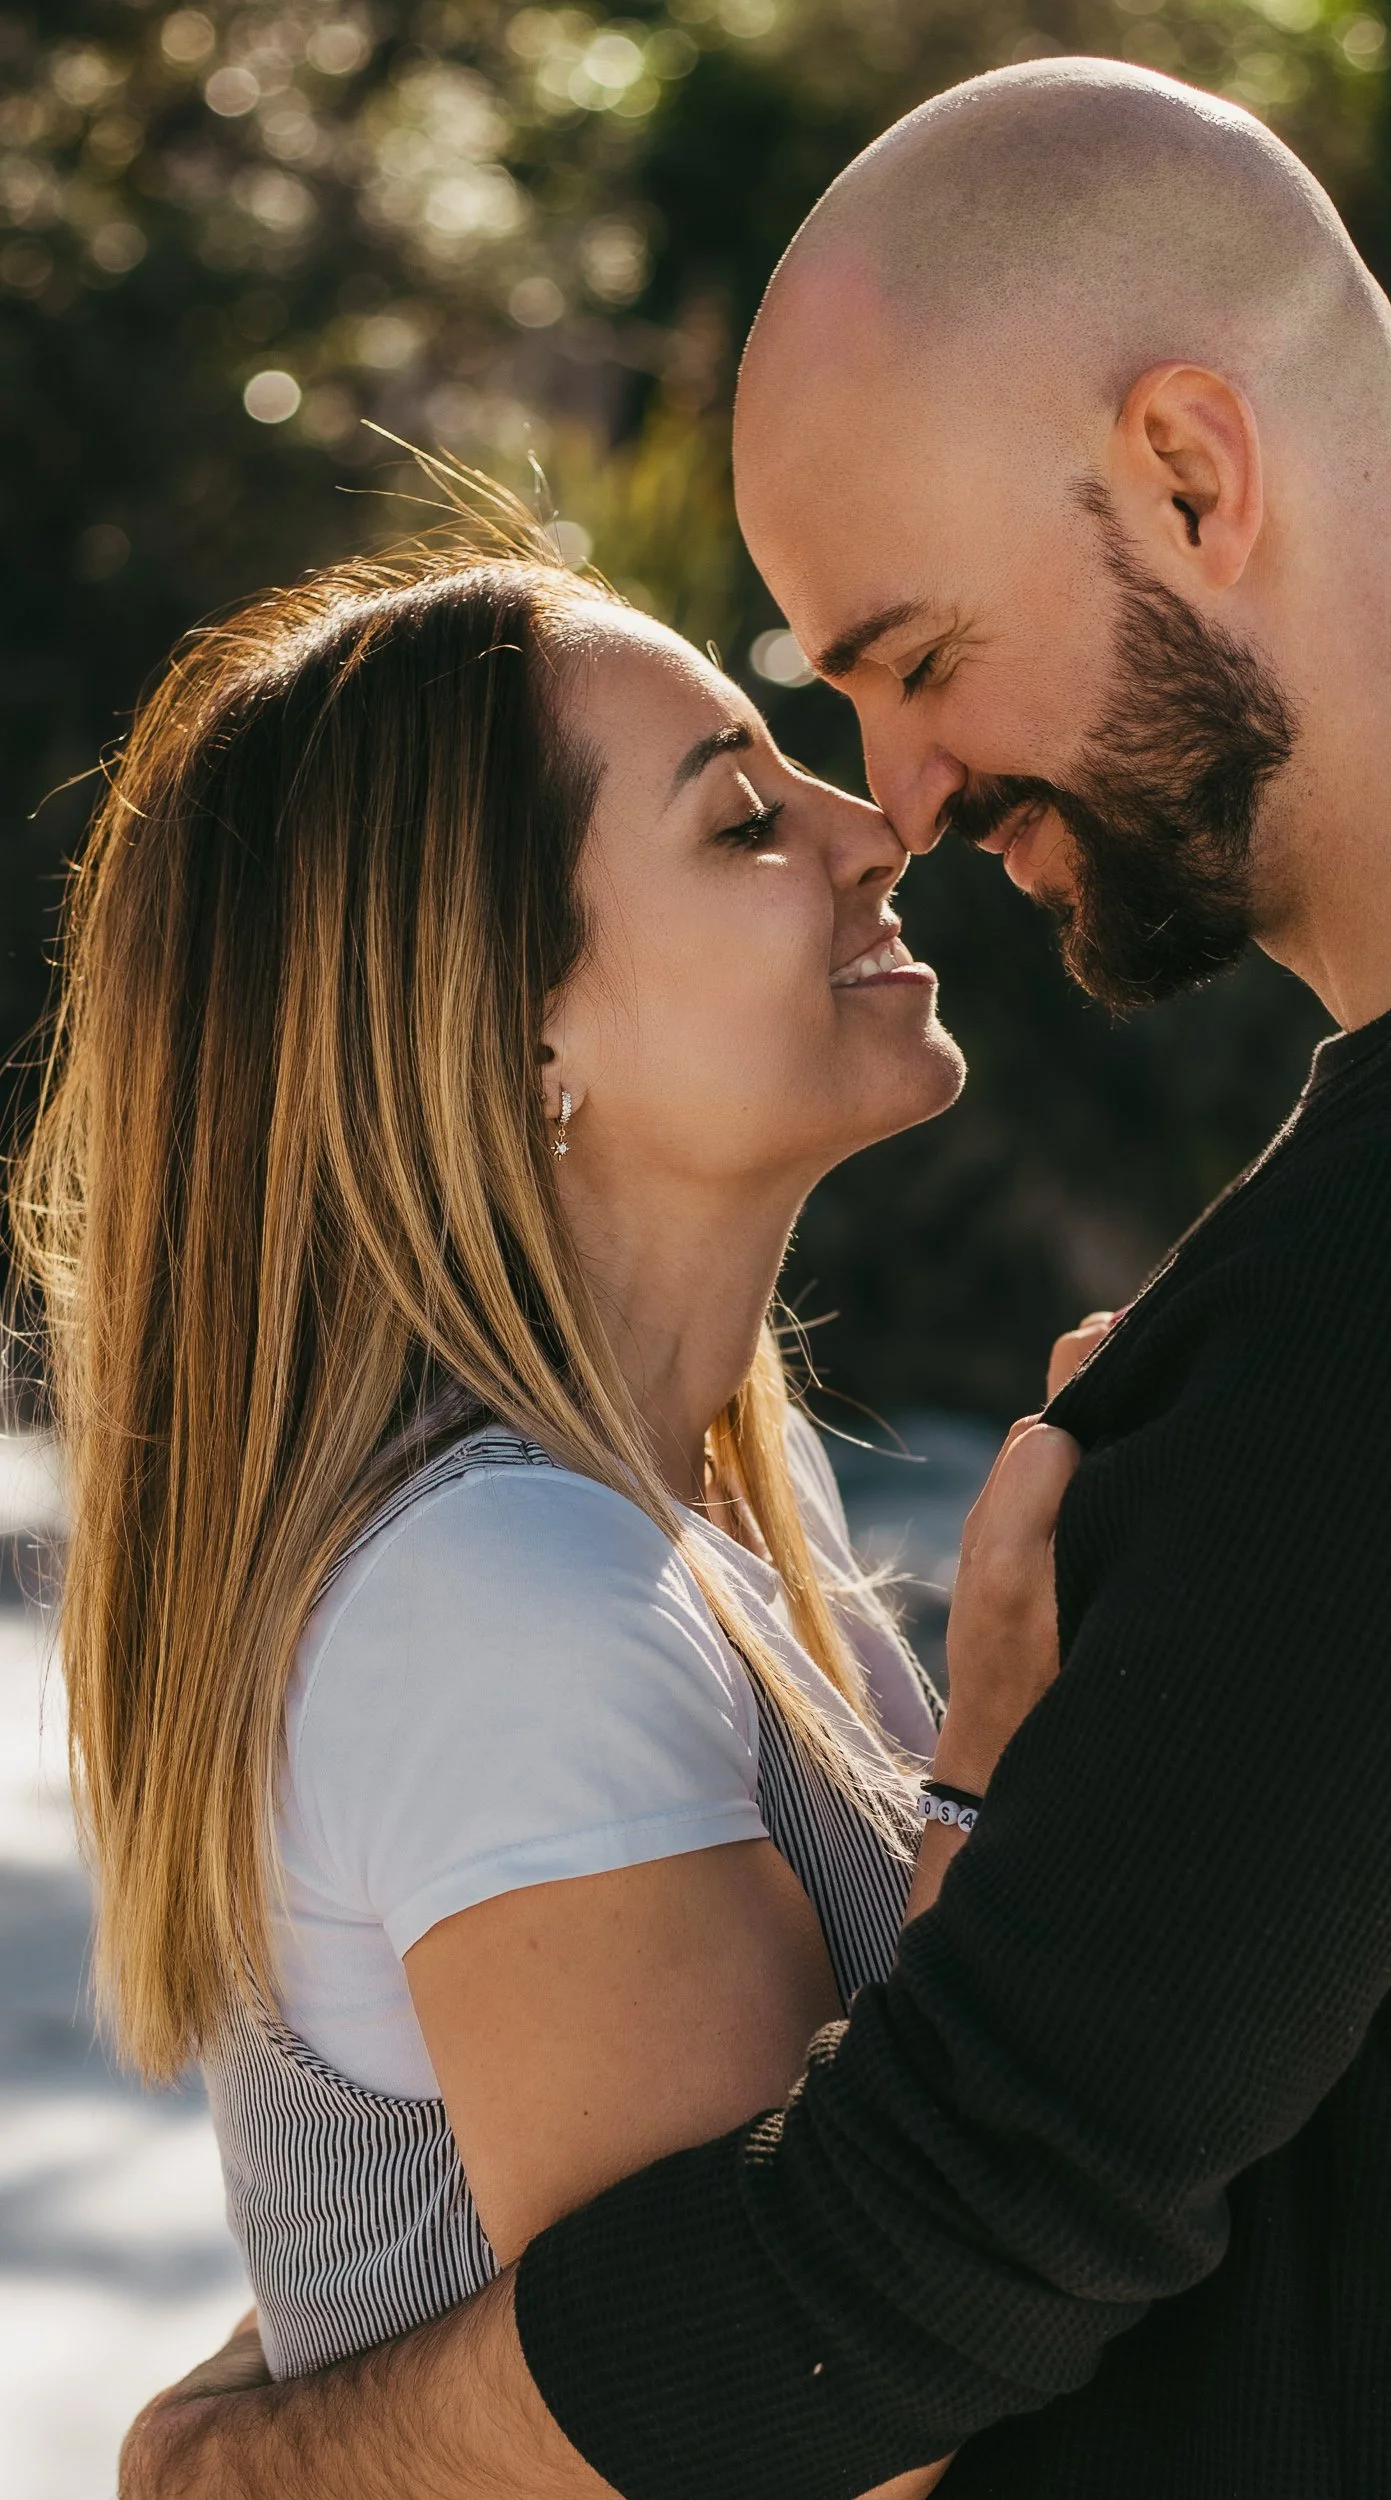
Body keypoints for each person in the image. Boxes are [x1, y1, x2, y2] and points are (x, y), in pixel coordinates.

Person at [123, 57, 1391, 2500]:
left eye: (913, 656)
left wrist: (250, 2462)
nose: (901, 803)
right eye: (783, 757)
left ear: (1191, 466)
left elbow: (920, 2248)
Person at [17, 508, 1069, 2500]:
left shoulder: (690, 1542)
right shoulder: (508, 1599)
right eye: (739, 823)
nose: (870, 830)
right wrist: (998, 1744)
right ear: (517, 1029)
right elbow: (819, 2422)